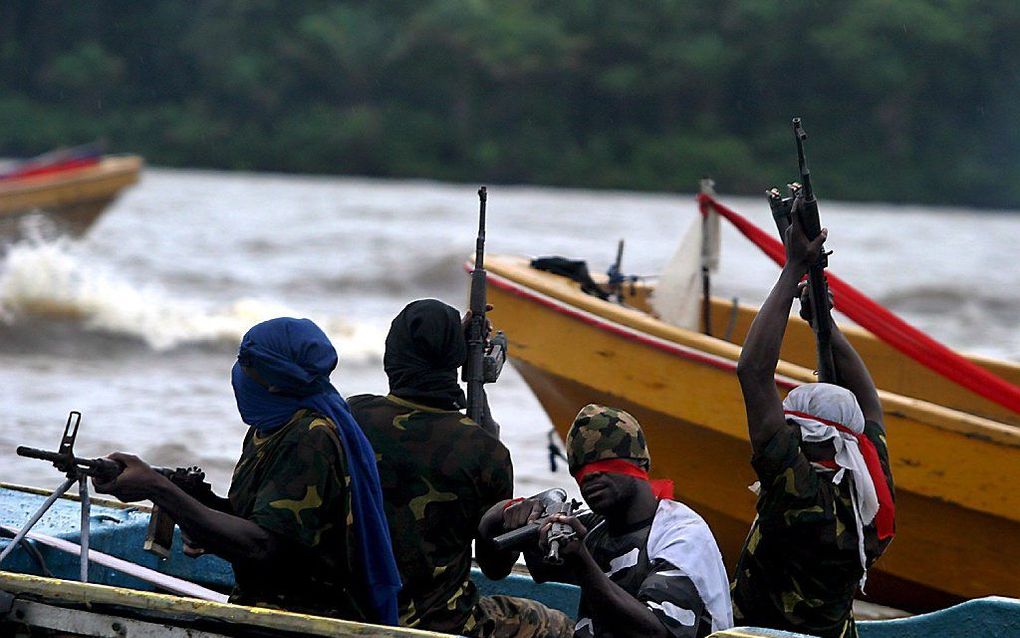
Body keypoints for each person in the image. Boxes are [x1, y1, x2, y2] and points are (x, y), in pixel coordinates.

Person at [93, 317, 401, 624]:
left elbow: (262, 546)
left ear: (273, 380)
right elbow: (260, 522)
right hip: (261, 609)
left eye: (245, 363)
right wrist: (196, 500)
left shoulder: (310, 435)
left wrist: (158, 489)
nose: (237, 373)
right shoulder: (269, 429)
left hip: (304, 620)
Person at [349, 299, 573, 637]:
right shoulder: (485, 450)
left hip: (348, 610)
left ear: (391, 355)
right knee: (555, 624)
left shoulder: (351, 417)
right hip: (439, 622)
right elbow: (495, 567)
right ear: (455, 360)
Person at [731, 208, 896, 638]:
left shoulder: (800, 494)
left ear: (814, 440)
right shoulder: (869, 487)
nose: (785, 432)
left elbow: (753, 372)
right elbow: (869, 405)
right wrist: (823, 323)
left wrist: (792, 270)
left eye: (793, 429)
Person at [500, 404, 733, 638]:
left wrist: (581, 559)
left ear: (641, 464)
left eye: (606, 461)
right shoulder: (596, 527)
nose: (590, 474)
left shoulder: (681, 536)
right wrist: (513, 513)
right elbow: (538, 570)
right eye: (580, 469)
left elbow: (656, 633)